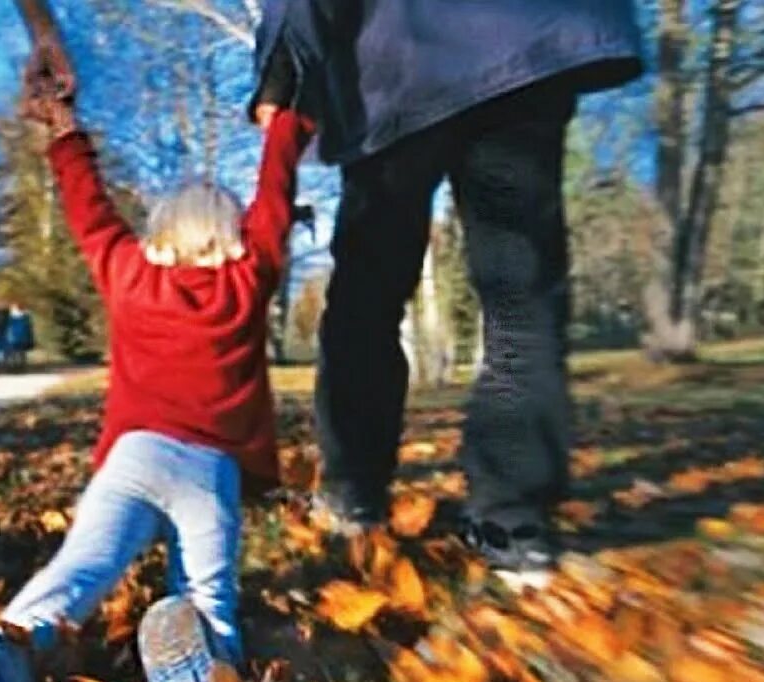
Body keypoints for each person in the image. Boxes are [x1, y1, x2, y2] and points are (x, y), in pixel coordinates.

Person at [0, 63, 316, 682]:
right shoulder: (247, 281)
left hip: (130, 461)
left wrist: (64, 129)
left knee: (79, 572)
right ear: (234, 234)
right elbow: (274, 196)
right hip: (209, 469)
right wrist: (283, 125)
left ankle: (3, 658)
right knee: (207, 595)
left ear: (158, 233)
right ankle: (196, 677)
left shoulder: (127, 273)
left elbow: (88, 205)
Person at [250, 0, 644, 583]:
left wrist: (283, 59)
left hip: (399, 62)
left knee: (368, 296)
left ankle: (354, 491)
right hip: (521, 47)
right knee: (521, 295)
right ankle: (513, 521)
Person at [4, 303, 35, 372]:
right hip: (23, 337)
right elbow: (29, 327)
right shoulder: (26, 316)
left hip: (13, 337)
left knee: (14, 352)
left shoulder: (10, 317)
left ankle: (14, 367)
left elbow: (7, 327)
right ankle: (21, 367)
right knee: (21, 353)